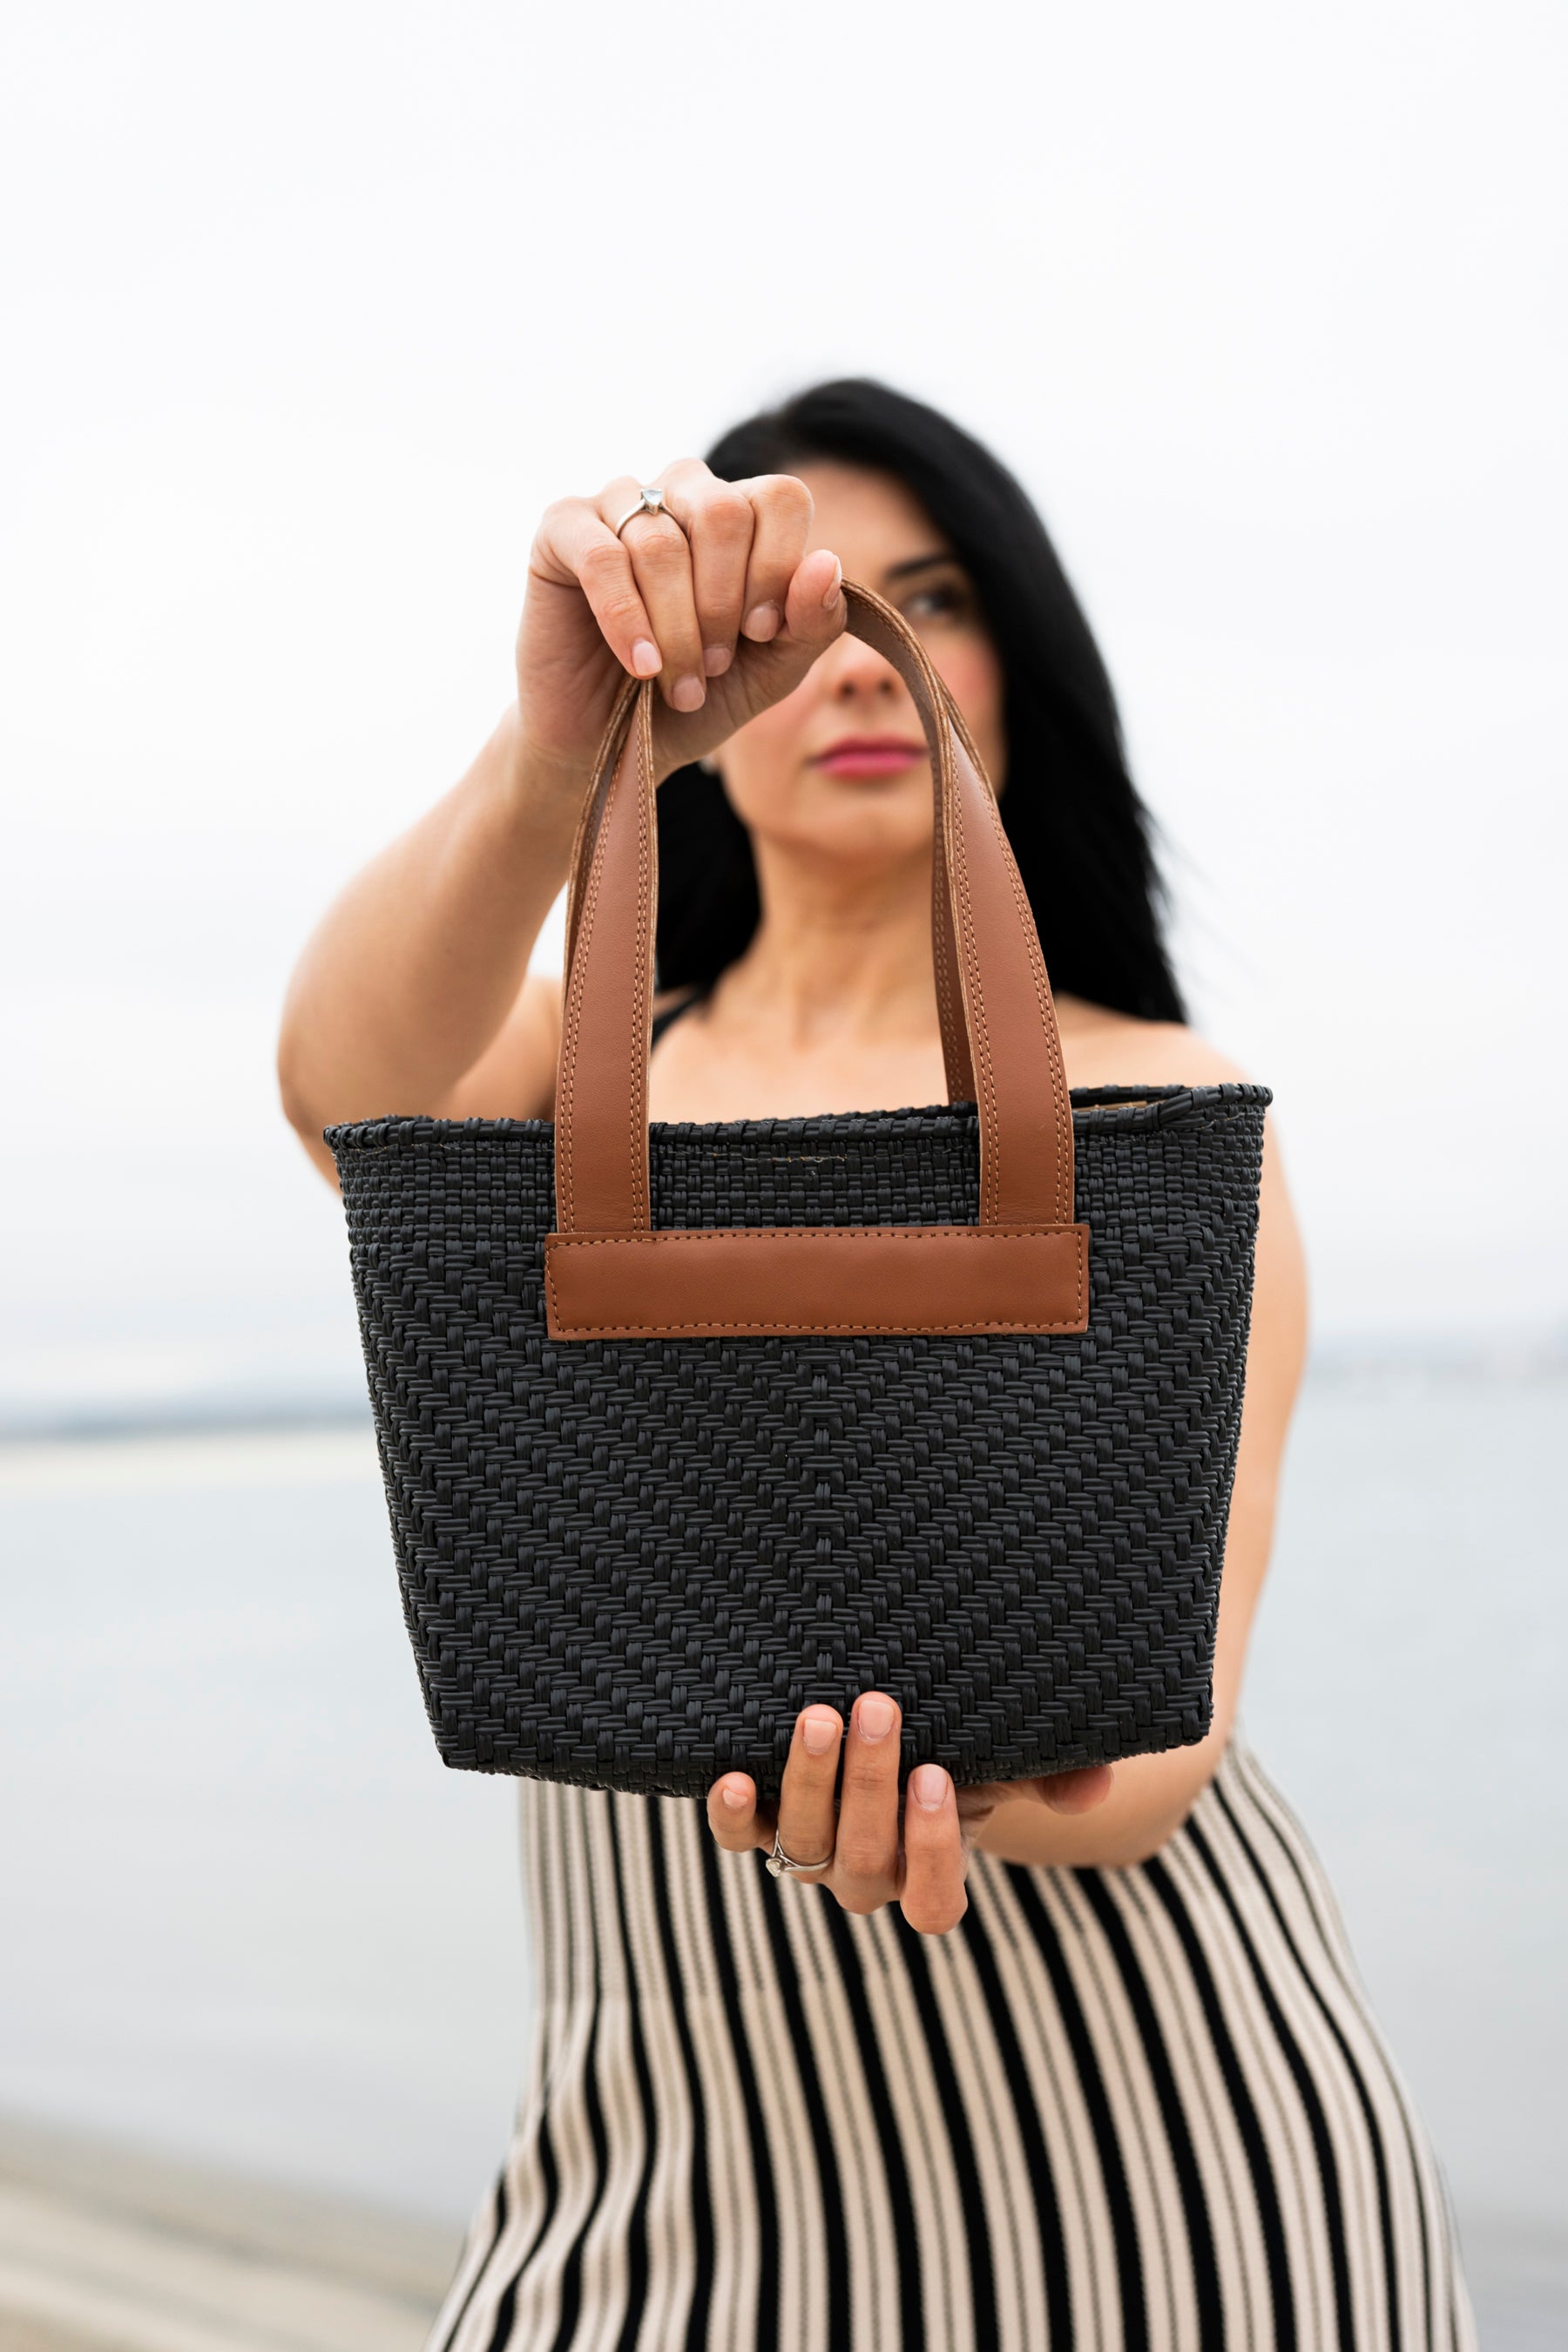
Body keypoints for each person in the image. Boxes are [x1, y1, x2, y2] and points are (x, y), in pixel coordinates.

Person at [278, 380, 1476, 2349]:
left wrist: (989, 1782)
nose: (848, 655)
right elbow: (344, 1098)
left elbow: (1155, 1750)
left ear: (1011, 666)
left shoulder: (1151, 1120)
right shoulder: (585, 1085)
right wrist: (553, 760)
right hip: (653, 2160)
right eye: (796, 609)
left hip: (1161, 2157)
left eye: (926, 596)